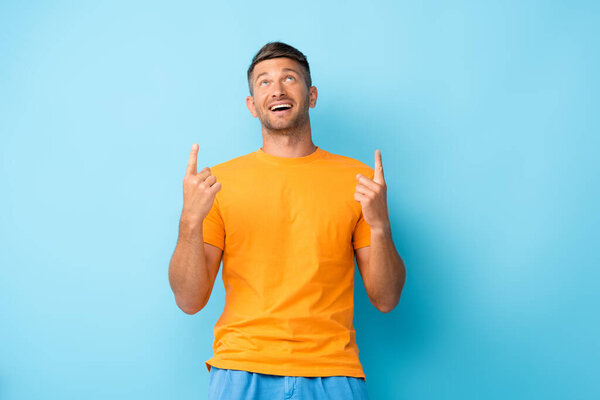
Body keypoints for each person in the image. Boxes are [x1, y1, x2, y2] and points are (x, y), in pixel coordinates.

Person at [168, 41, 406, 400]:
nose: (276, 89)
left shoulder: (359, 182)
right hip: (241, 369)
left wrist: (380, 226)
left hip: (332, 373)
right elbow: (189, 300)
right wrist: (189, 220)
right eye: (263, 82)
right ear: (252, 105)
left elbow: (386, 298)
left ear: (311, 96)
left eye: (289, 78)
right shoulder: (218, 183)